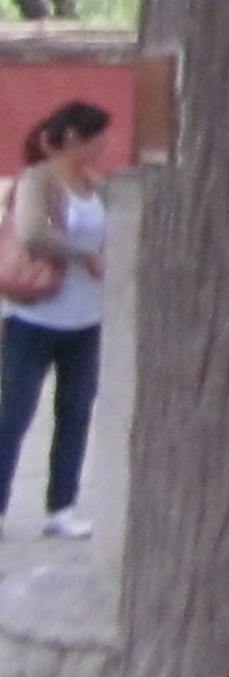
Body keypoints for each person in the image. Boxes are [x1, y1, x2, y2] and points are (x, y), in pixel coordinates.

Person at [1, 101, 111, 539]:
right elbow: (33, 232)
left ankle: (61, 506)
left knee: (76, 411)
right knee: (15, 413)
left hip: (84, 319)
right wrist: (82, 254)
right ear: (71, 139)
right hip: (35, 318)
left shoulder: (93, 186)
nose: (104, 144)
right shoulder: (39, 180)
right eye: (97, 136)